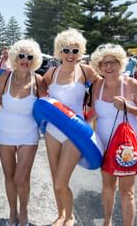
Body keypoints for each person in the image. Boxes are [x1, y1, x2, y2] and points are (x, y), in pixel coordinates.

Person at [0, 39, 47, 226]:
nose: (25, 60)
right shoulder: (6, 77)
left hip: (29, 134)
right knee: (10, 176)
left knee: (22, 178)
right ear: (15, 57)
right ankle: (12, 213)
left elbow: (47, 107)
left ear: (34, 60)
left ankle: (24, 213)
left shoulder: (38, 80)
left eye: (29, 57)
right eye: (21, 56)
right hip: (4, 132)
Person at [42, 29, 101, 226]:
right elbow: (41, 88)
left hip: (74, 133)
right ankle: (61, 215)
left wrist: (92, 112)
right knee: (55, 179)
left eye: (75, 51)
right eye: (66, 50)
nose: (70, 54)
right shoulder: (51, 73)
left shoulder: (86, 71)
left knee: (61, 181)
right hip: (52, 131)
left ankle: (70, 216)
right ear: (59, 51)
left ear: (81, 52)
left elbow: (101, 86)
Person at [89, 43, 137, 226]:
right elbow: (93, 113)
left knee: (127, 191)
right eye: (104, 63)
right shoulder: (97, 86)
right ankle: (107, 222)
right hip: (104, 145)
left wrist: (127, 107)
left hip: (128, 147)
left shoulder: (131, 84)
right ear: (99, 66)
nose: (109, 67)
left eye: (113, 62)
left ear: (121, 64)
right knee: (108, 187)